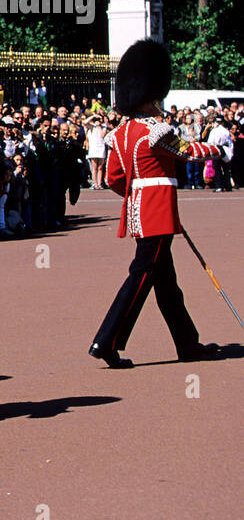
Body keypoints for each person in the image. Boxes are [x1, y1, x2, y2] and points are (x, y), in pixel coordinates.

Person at [90, 40, 222, 368]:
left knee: (166, 283)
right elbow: (188, 152)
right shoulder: (157, 130)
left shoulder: (118, 135)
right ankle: (107, 341)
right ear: (150, 96)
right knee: (142, 274)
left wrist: (138, 196)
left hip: (138, 210)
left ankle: (187, 343)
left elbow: (114, 179)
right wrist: (219, 151)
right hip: (158, 210)